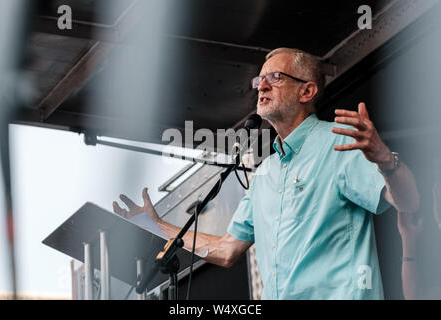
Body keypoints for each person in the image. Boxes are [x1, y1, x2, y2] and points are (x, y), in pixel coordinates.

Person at [113, 48, 420, 299]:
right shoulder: (265, 173)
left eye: (275, 77)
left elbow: (408, 202)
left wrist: (385, 160)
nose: (262, 85)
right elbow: (227, 249)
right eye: (260, 80)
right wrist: (158, 225)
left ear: (307, 91)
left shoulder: (338, 142)